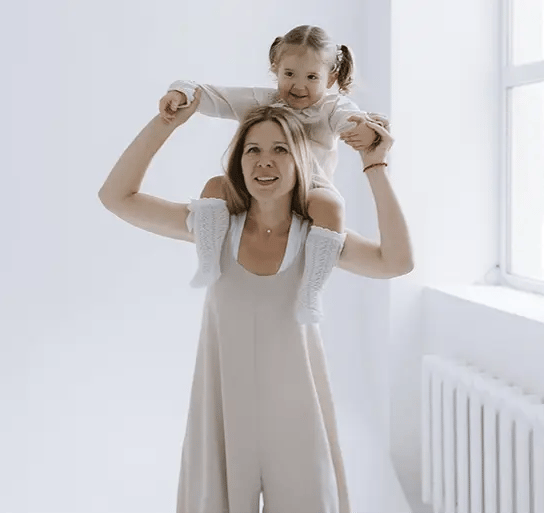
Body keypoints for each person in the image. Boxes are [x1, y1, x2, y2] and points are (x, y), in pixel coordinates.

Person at [98, 88, 412, 513]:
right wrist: (168, 122)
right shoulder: (214, 228)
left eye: (280, 149)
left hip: (297, 419)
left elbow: (396, 261)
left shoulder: (317, 238)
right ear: (238, 162)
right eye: (253, 150)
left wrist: (375, 166)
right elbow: (116, 197)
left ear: (300, 162)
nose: (265, 160)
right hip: (223, 416)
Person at [158, 24, 382, 325]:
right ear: (275, 68)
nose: (299, 86)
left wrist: (362, 128)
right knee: (215, 185)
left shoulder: (332, 107)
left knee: (331, 206)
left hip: (308, 190)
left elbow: (349, 118)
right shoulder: (262, 101)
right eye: (289, 74)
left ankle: (311, 291)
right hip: (259, 189)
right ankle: (209, 261)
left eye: (312, 77)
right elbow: (214, 96)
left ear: (330, 78)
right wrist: (181, 91)